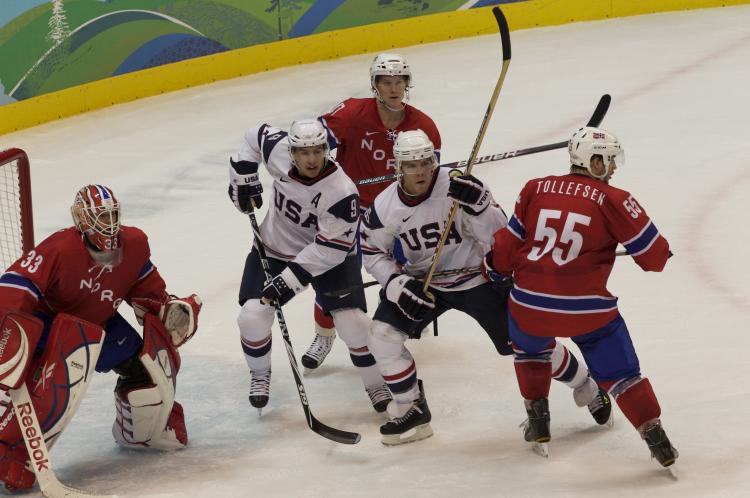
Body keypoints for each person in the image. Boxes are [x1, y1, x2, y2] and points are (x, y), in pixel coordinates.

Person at [361, 130, 610, 446]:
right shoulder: (385, 206)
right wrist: (395, 283)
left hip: (477, 279)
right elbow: (371, 251)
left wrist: (480, 208)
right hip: (424, 284)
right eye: (412, 165)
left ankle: (586, 385)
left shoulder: (459, 186)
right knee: (381, 336)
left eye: (426, 162)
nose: (421, 171)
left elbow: (499, 237)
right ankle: (412, 408)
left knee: (525, 343)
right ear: (398, 167)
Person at [487, 126, 678, 466]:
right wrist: (661, 253)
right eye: (608, 160)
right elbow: (654, 259)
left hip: (529, 303)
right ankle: (654, 435)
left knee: (531, 350)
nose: (614, 168)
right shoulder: (614, 199)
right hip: (585, 310)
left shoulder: (535, 188)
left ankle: (538, 419)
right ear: (591, 161)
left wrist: (495, 269)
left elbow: (505, 246)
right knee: (621, 374)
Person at [0, 184, 202, 491]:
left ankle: (140, 433)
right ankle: (10, 453)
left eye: (111, 215)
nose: (107, 224)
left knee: (150, 373)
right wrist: (8, 326)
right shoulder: (60, 247)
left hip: (99, 324)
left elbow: (147, 291)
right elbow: (17, 285)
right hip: (49, 323)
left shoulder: (133, 244)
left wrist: (167, 309)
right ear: (80, 219)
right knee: (53, 386)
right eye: (99, 216)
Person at [228, 118, 391, 415]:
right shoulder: (278, 151)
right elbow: (253, 137)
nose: (312, 159)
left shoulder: (341, 192)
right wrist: (243, 178)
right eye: (304, 152)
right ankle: (260, 374)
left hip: (332, 257)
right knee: (252, 316)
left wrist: (287, 281)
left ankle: (376, 383)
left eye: (318, 151)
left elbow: (329, 250)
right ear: (292, 152)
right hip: (275, 248)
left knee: (353, 324)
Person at [301, 53, 443, 371]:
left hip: (396, 213)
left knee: (407, 270)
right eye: (386, 82)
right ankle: (324, 335)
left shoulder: (422, 127)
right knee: (334, 276)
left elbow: (429, 178)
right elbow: (314, 147)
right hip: (348, 212)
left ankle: (390, 332)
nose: (394, 89)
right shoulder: (352, 113)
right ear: (375, 85)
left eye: (399, 82)